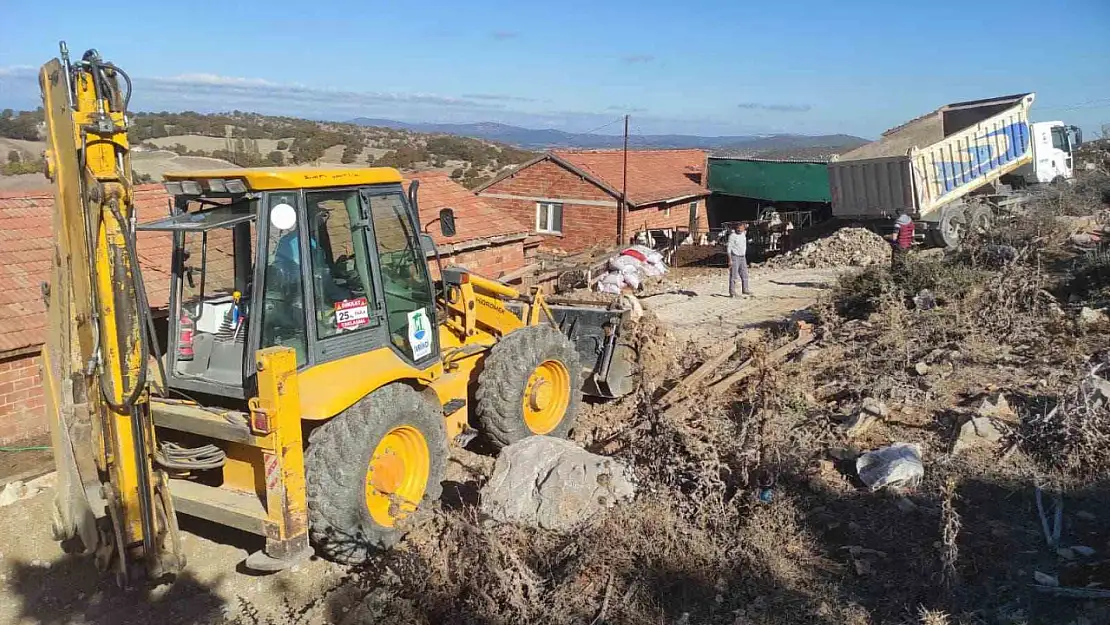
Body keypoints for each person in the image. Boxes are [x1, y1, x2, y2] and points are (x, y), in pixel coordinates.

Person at [727, 222, 751, 297]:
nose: (740, 230)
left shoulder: (743, 234)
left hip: (742, 257)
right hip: (735, 256)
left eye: (741, 228)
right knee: (734, 275)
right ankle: (732, 292)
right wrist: (730, 259)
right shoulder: (732, 236)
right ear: (736, 228)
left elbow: (748, 225)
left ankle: (745, 289)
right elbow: (728, 249)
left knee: (744, 274)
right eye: (738, 228)